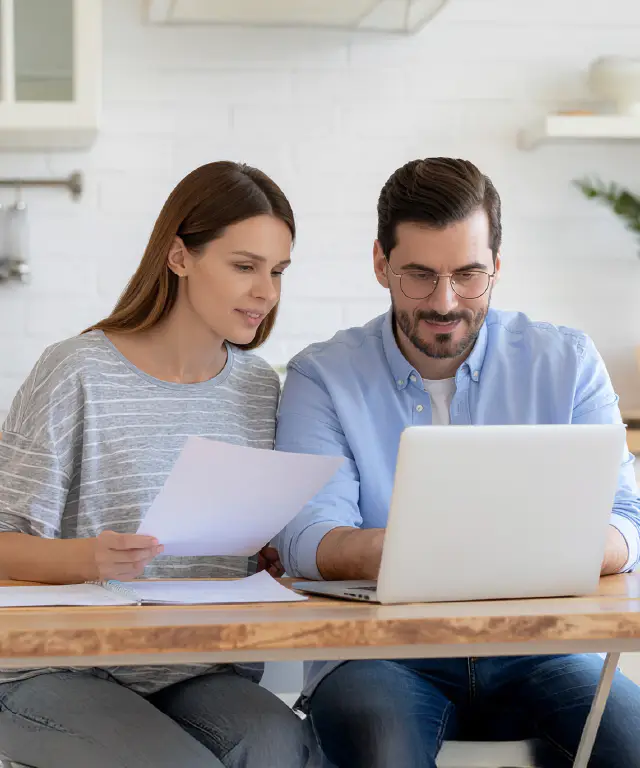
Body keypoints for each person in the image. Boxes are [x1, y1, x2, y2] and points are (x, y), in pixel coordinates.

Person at [275, 157, 640, 768]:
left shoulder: (568, 362)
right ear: (380, 264)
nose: (445, 302)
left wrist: (482, 553)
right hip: (379, 654)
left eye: (469, 275)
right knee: (380, 753)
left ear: (497, 265)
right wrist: (485, 552)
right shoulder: (323, 376)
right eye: (418, 275)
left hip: (544, 648)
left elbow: (629, 517)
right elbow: (308, 540)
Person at [0, 161, 310, 768]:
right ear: (179, 257)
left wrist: (267, 550)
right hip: (50, 670)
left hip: (194, 666)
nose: (265, 292)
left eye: (277, 272)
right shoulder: (75, 372)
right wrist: (87, 558)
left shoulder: (258, 390)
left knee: (283, 744)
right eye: (244, 267)